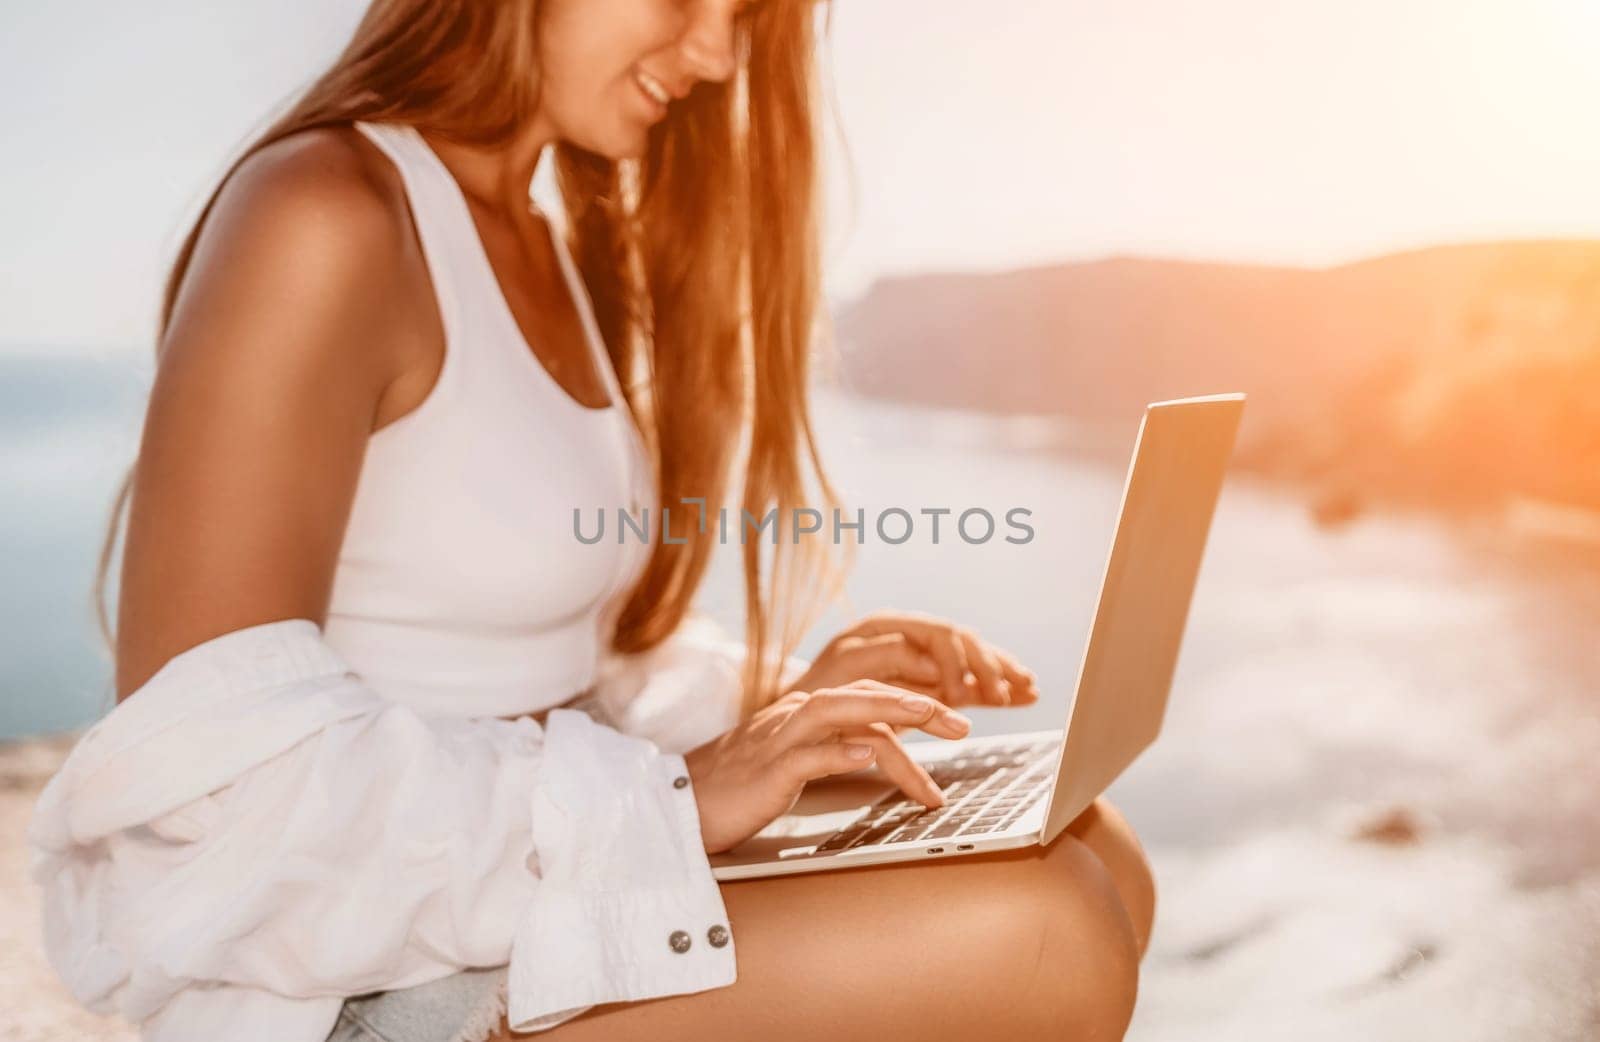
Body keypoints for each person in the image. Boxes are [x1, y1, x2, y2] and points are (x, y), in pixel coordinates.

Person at [38, 1, 1155, 1039]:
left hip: (509, 896)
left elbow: (541, 671)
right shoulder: (324, 212)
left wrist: (780, 701)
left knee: (1097, 847)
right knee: (1041, 927)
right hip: (347, 983)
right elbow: (199, 780)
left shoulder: (544, 239)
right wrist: (666, 801)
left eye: (744, 18)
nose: (718, 57)